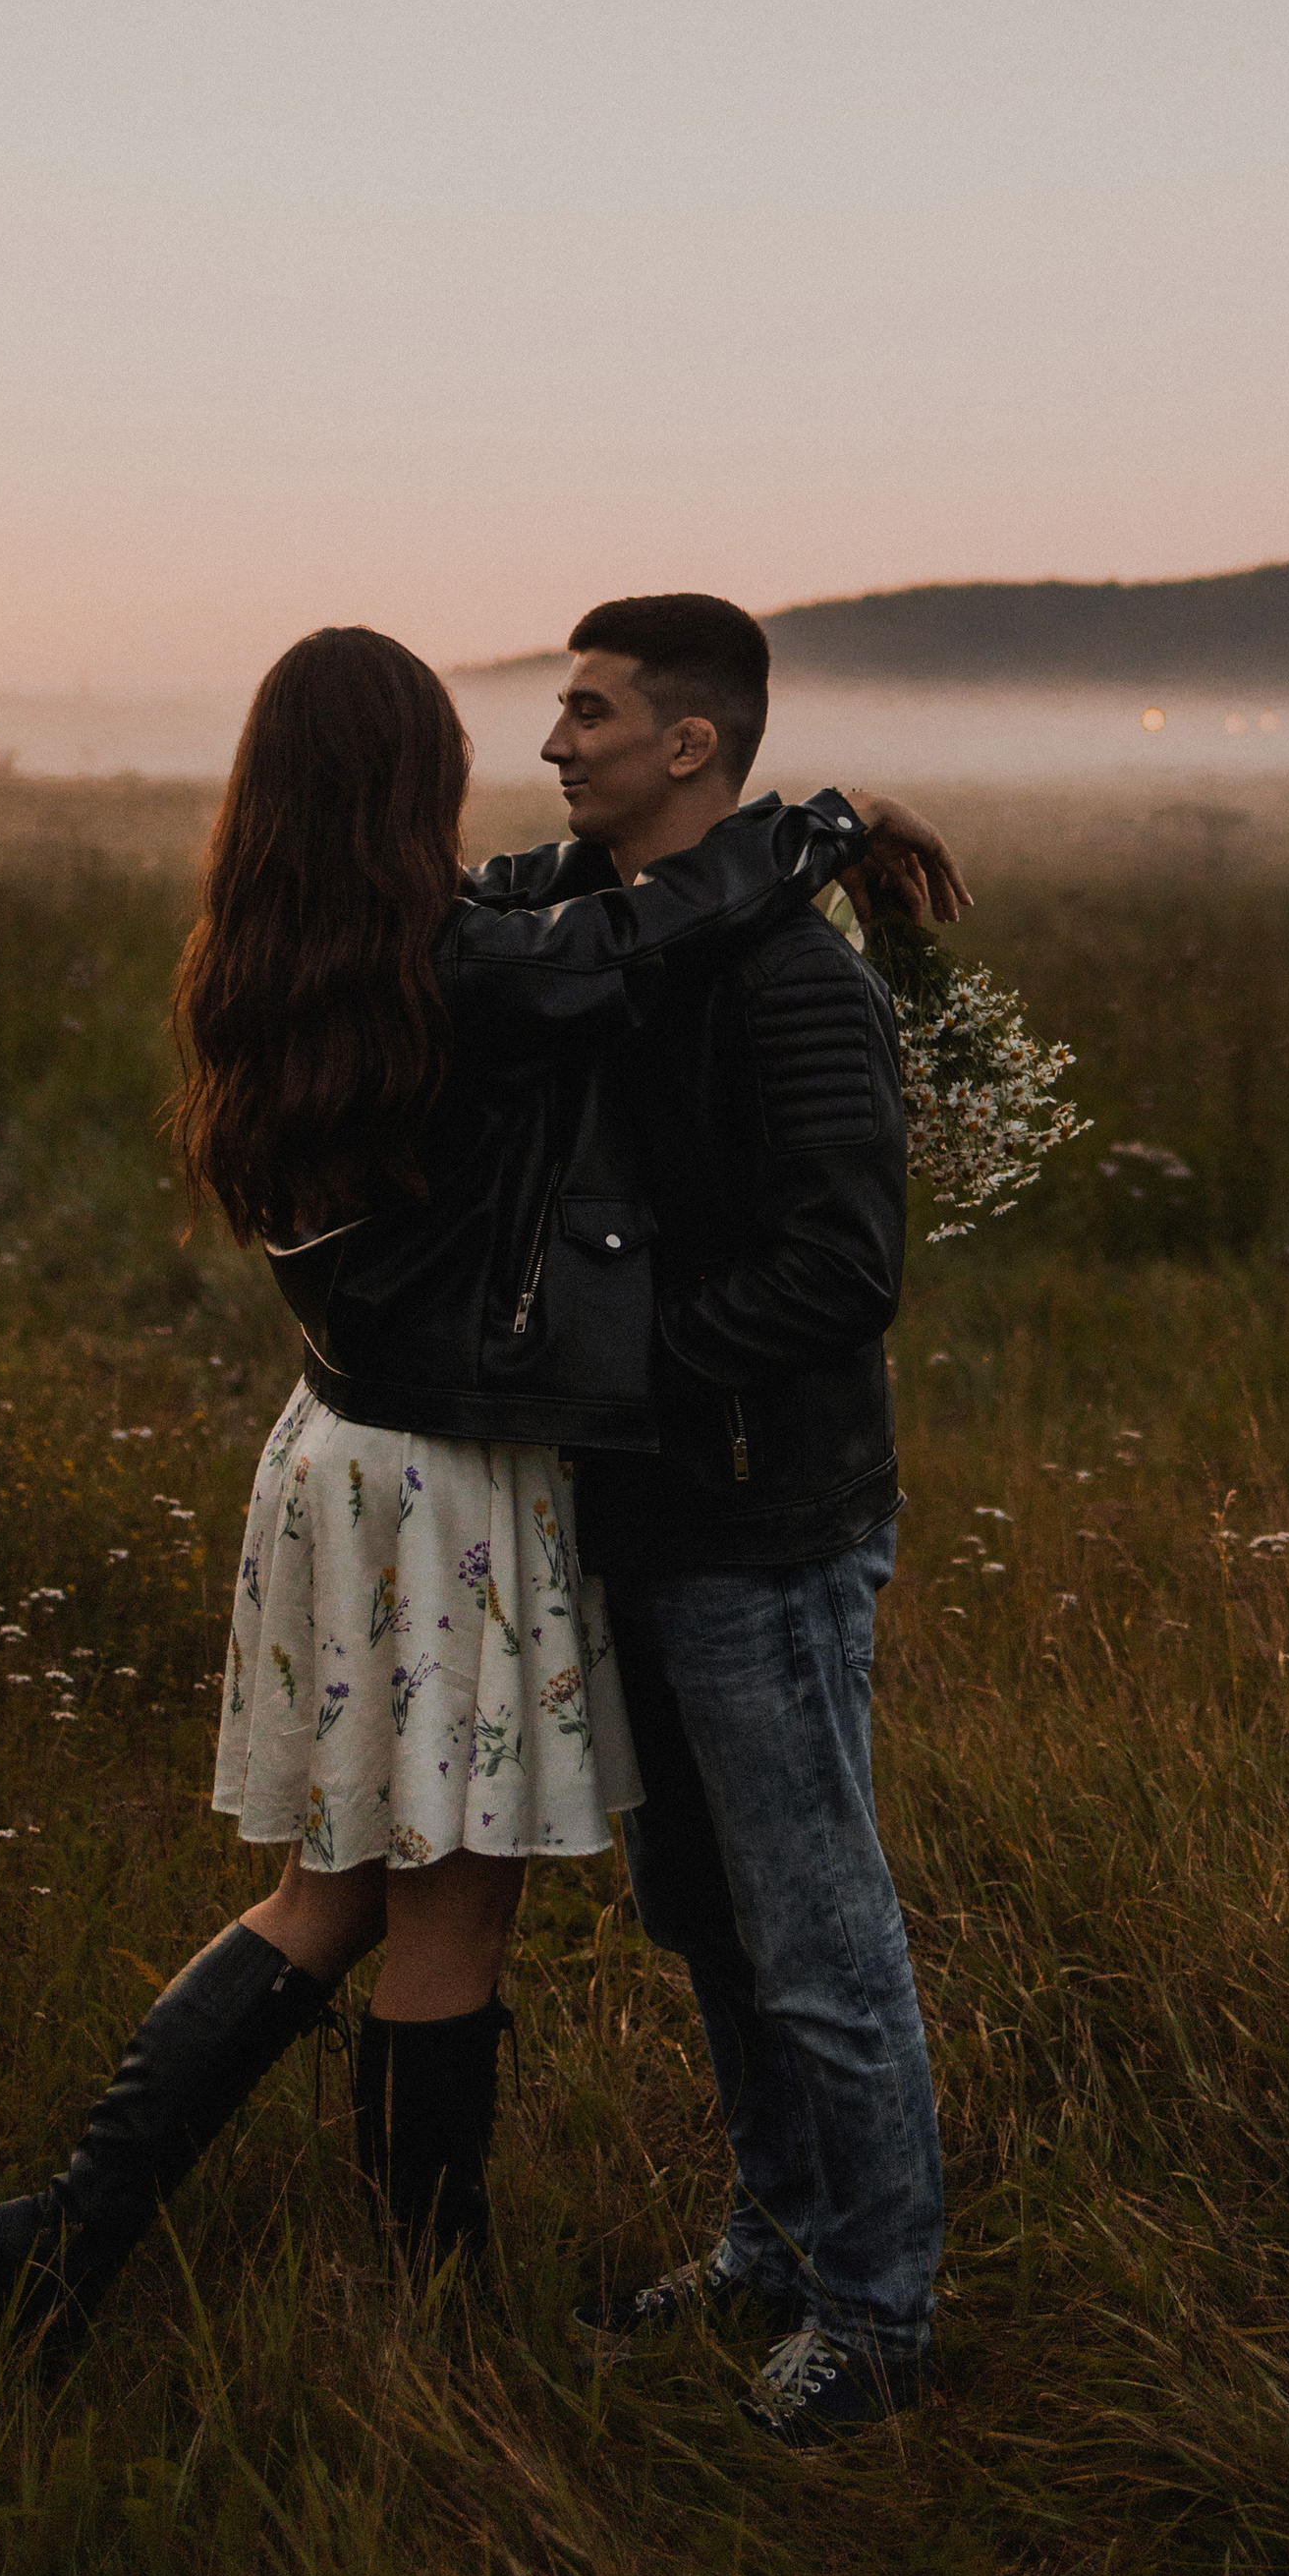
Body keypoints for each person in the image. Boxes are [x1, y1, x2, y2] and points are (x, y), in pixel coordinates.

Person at [0, 625, 959, 2349]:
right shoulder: (457, 962)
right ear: (402, 784)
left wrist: (783, 838)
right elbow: (619, 937)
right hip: (447, 1487)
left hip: (340, 1458)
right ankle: (433, 2322)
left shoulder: (288, 944)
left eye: (581, 712)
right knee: (442, 1912)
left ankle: (54, 2246)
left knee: (332, 1890)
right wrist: (820, 827)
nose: (536, 746)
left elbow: (579, 919)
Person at [465, 594, 958, 2446]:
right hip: (649, 1517)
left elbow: (845, 1271)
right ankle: (772, 2238)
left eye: (588, 714)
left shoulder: (793, 980)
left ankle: (878, 2316)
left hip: (766, 1523)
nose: (555, 743)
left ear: (691, 745)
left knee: (818, 1934)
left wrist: (628, 1365)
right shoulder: (628, 936)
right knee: (704, 1916)